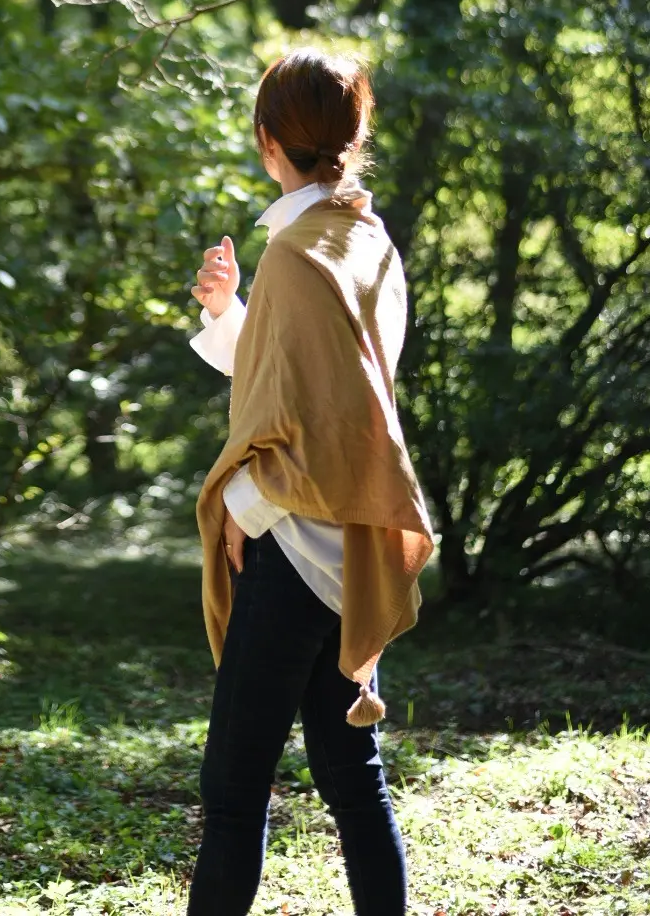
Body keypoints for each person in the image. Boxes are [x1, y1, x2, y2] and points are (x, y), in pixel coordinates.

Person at [185, 48, 434, 916]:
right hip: (354, 549)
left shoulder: (296, 252)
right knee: (351, 779)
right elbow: (318, 392)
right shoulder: (365, 239)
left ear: (267, 141)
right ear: (354, 138)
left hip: (291, 549)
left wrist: (242, 511)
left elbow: (317, 422)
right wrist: (229, 317)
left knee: (233, 790)